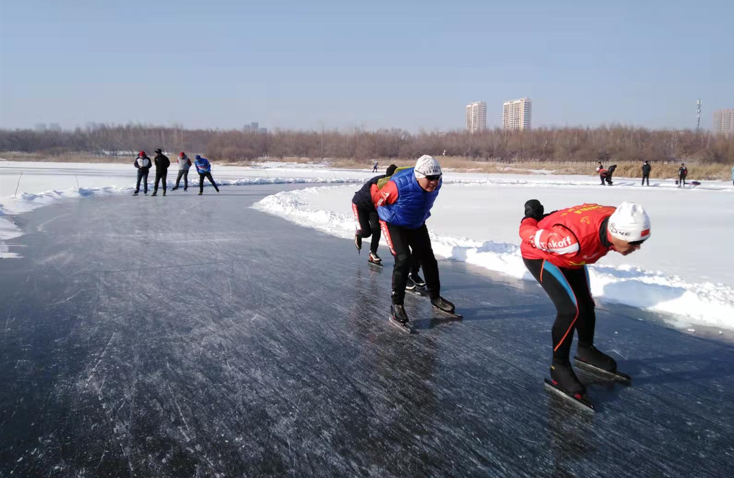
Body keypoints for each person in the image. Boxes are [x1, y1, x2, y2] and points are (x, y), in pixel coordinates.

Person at [519, 201, 651, 396]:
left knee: (586, 305)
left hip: (573, 258)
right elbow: (526, 233)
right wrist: (531, 215)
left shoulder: (616, 216)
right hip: (542, 256)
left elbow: (573, 213)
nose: (637, 248)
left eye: (641, 242)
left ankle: (586, 350)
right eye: (634, 243)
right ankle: (559, 366)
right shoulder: (569, 241)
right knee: (570, 310)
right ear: (617, 234)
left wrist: (552, 216)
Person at [371, 155, 456, 328]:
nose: (434, 182)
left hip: (416, 223)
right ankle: (397, 304)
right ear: (418, 176)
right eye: (430, 178)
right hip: (393, 223)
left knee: (429, 260)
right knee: (403, 259)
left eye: (437, 177)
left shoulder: (437, 183)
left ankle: (435, 297)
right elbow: (378, 200)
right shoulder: (397, 185)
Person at [353, 164, 397, 265]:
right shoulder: (378, 183)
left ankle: (372, 253)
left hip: (373, 208)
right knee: (367, 232)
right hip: (360, 205)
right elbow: (377, 199)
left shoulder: (393, 184)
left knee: (377, 229)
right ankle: (359, 234)